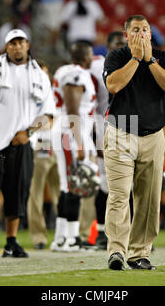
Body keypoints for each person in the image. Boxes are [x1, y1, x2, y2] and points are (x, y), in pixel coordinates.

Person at [0, 29, 55, 258]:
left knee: (17, 192)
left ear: (27, 45)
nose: (17, 47)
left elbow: (49, 114)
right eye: (12, 43)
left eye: (21, 42)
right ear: (6, 47)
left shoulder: (39, 75)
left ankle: (11, 241)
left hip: (21, 142)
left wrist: (28, 132)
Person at [103, 15, 165, 270]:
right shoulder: (116, 57)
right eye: (136, 30)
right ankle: (116, 251)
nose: (142, 34)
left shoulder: (163, 57)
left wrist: (150, 62)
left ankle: (139, 253)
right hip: (121, 131)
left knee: (148, 199)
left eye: (145, 29)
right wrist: (136, 59)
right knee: (119, 195)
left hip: (153, 134)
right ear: (126, 35)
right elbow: (113, 85)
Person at [49, 41, 98, 252]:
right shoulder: (77, 73)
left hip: (67, 130)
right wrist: (79, 140)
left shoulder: (63, 69)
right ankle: (72, 237)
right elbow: (71, 107)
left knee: (66, 184)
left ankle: (60, 238)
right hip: (71, 131)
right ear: (85, 56)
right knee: (75, 183)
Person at [88, 31, 126, 250]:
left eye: (125, 44)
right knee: (105, 184)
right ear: (109, 46)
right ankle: (103, 233)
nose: (122, 48)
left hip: (131, 125)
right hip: (105, 126)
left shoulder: (136, 64)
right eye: (118, 44)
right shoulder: (96, 66)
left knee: (129, 185)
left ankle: (130, 232)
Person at [27, 60, 59, 250]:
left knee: (61, 191)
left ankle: (65, 233)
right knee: (36, 192)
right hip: (40, 144)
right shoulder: (30, 95)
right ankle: (38, 236)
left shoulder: (55, 93)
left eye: (45, 72)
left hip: (58, 146)